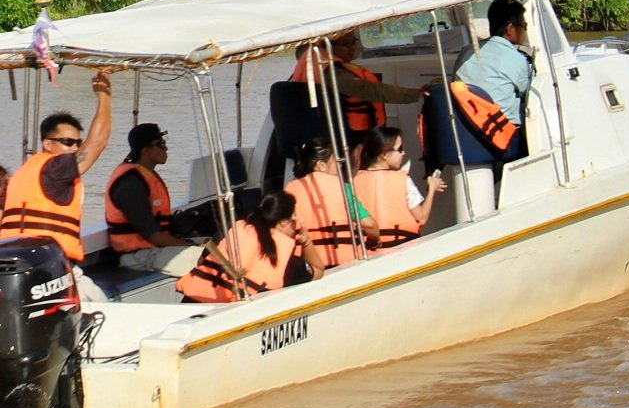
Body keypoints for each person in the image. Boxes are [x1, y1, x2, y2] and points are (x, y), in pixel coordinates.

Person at [0, 70, 115, 265]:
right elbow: (98, 142)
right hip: (46, 263)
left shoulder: (23, 173)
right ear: (47, 144)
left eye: (77, 143)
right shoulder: (55, 168)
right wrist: (104, 96)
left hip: (16, 259)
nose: (75, 148)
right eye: (67, 142)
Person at [289, 29, 428, 140]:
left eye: (353, 42)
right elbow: (367, 90)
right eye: (345, 44)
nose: (352, 48)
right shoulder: (329, 71)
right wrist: (414, 94)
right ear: (327, 46)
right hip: (345, 135)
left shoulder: (315, 61)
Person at [103, 121, 202, 276]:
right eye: (160, 144)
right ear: (146, 150)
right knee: (208, 258)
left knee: (221, 246)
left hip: (155, 249)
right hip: (138, 256)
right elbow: (153, 236)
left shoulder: (145, 174)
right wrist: (187, 245)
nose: (166, 148)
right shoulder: (130, 185)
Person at [448, 0, 534, 167]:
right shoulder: (516, 59)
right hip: (501, 138)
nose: (524, 31)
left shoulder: (466, 53)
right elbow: (527, 93)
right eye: (523, 26)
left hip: (467, 132)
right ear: (510, 29)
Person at [177, 187, 300, 303]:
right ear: (283, 222)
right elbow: (316, 273)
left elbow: (201, 261)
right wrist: (306, 243)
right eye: (294, 216)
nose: (298, 221)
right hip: (226, 311)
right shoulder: (283, 250)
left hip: (191, 301)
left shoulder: (234, 228)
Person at [351, 126, 439, 249]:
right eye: (399, 149)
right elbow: (421, 218)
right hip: (402, 248)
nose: (403, 153)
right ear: (384, 155)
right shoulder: (403, 180)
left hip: (367, 251)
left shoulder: (353, 181)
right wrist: (432, 189)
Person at [283, 138, 363, 273]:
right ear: (321, 165)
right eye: (336, 163)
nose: (340, 166)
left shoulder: (290, 189)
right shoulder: (343, 188)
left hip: (310, 264)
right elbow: (369, 224)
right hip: (348, 260)